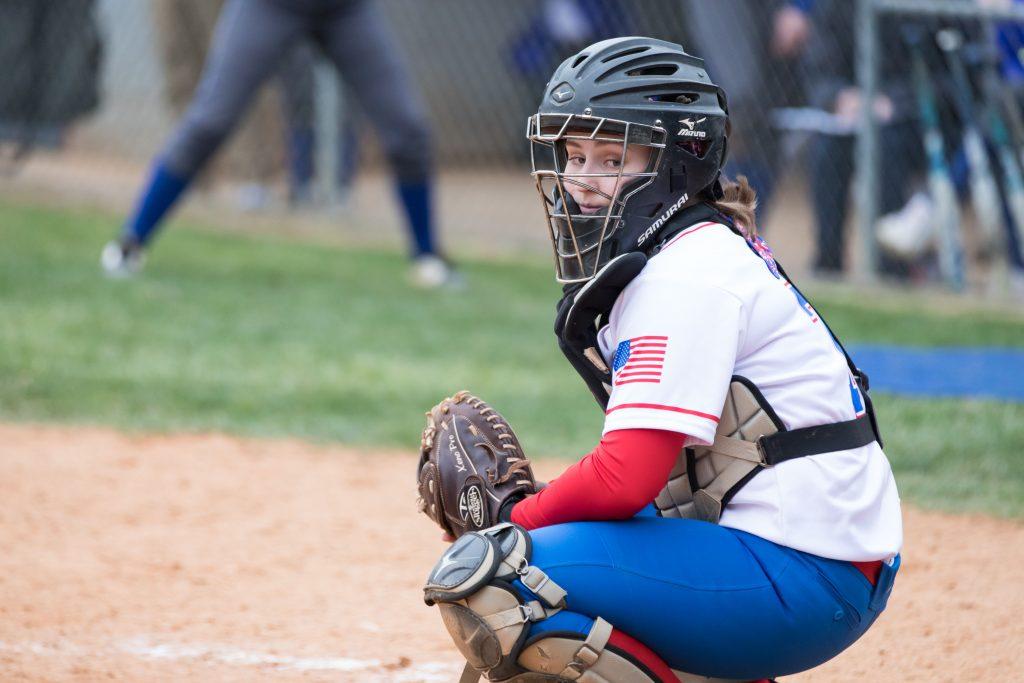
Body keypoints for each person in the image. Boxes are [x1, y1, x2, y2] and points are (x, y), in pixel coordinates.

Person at [428, 37, 903, 682]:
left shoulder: (684, 274)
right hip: (814, 560)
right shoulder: (689, 249)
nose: (582, 179)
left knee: (499, 576)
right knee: (537, 558)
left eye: (611, 155)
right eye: (573, 154)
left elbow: (629, 476)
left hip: (807, 575)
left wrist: (516, 519)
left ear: (679, 160)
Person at [101, 0, 456, 288]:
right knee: (210, 121)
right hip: (270, 6)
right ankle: (131, 242)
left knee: (408, 130)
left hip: (346, 9)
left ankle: (427, 257)